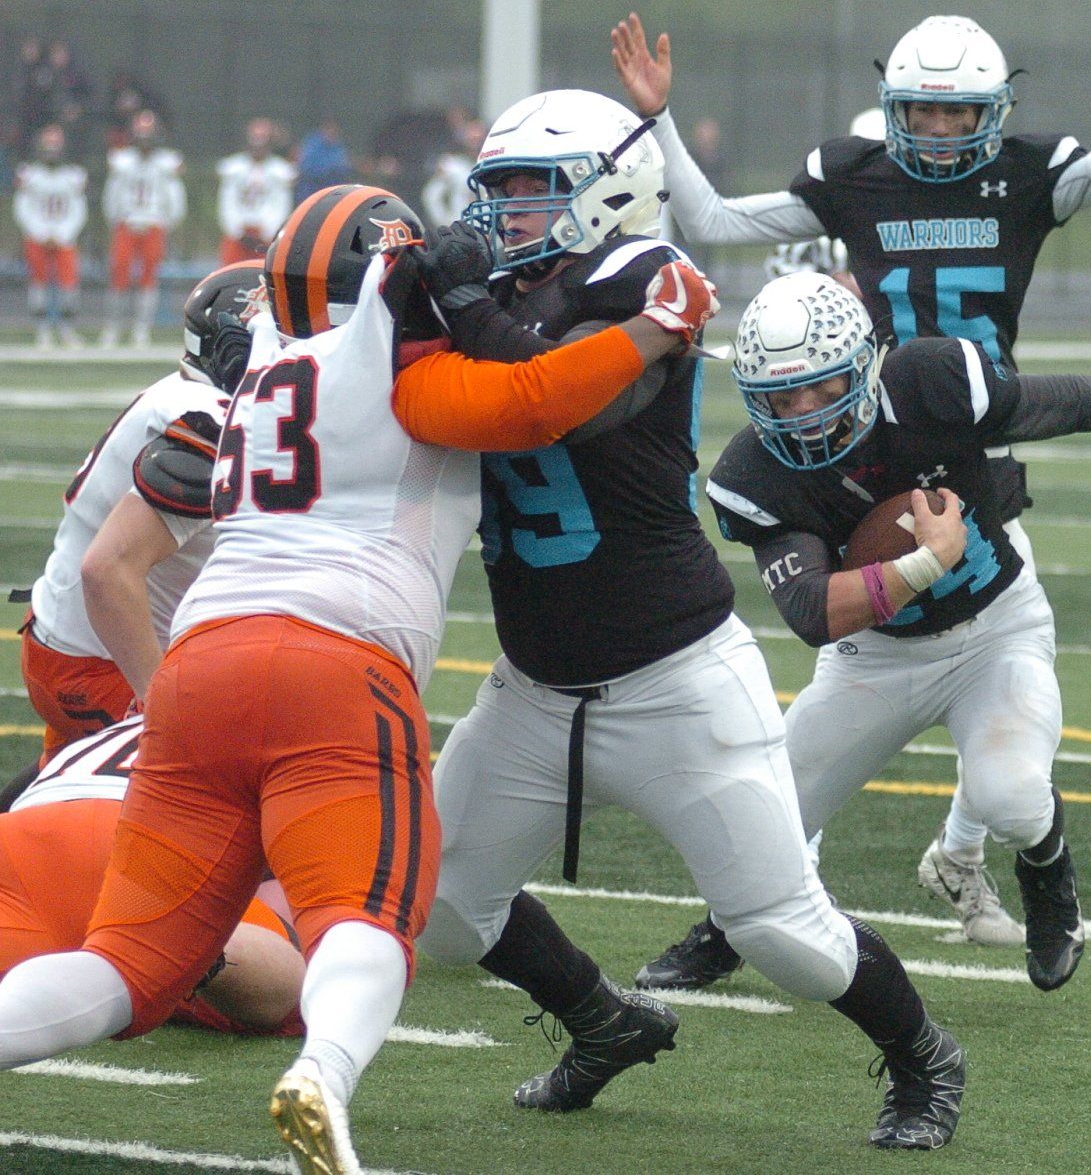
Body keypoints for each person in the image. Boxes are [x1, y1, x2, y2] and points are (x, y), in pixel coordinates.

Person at [0, 182, 702, 1174]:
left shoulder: (259, 376)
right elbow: (537, 397)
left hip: (199, 667)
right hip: (334, 661)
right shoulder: (393, 362)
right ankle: (324, 1075)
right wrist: (659, 326)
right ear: (385, 277)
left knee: (125, 965)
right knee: (365, 917)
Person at [612, 0, 1091, 937]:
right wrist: (657, 115)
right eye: (923, 110)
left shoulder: (1028, 177)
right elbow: (708, 215)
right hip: (863, 421)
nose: (944, 130)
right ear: (895, 108)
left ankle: (970, 840)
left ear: (994, 112)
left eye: (961, 112)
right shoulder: (856, 178)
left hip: (970, 417)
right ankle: (877, 868)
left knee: (985, 613)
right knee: (868, 628)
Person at [415, 88, 967, 1149]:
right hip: (535, 689)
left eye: (538, 188)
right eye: (504, 191)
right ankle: (603, 1021)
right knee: (441, 910)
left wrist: (461, 304)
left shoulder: (646, 278)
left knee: (785, 938)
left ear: (614, 185)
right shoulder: (496, 297)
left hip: (676, 682)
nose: (511, 212)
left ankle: (922, 1056)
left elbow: (553, 392)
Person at [636, 271, 1091, 995]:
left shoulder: (930, 382)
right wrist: (926, 562)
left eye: (819, 388)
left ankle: (1048, 876)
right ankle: (728, 930)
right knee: (762, 821)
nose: (800, 413)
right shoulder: (750, 474)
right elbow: (811, 613)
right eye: (779, 398)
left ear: (862, 365)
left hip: (995, 632)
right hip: (873, 661)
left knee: (1011, 795)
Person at [13, 261, 259, 758]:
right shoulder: (209, 420)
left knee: (53, 794)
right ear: (238, 351)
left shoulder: (183, 395)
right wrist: (157, 697)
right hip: (98, 661)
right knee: (225, 778)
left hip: (67, 640)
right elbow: (105, 569)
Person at [1, 714, 305, 1037]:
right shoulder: (304, 733)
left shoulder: (157, 714)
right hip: (153, 850)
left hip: (24, 831)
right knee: (310, 992)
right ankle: (189, 951)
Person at [101, 109, 185, 349]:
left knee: (149, 278)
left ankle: (141, 329)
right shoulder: (122, 160)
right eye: (141, 133)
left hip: (154, 223)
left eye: (149, 133)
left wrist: (167, 221)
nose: (145, 139)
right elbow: (112, 193)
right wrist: (116, 218)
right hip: (127, 222)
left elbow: (174, 195)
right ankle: (113, 327)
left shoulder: (166, 161)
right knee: (119, 275)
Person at [12, 122, 86, 348]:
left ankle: (66, 330)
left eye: (55, 146)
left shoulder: (73, 175)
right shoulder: (29, 174)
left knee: (68, 286)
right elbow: (22, 207)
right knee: (39, 285)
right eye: (48, 146)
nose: (52, 151)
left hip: (64, 237)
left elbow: (78, 209)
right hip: (37, 236)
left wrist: (64, 233)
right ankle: (43, 331)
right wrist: (40, 232)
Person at [218, 118, 298, 264]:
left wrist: (270, 230)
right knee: (231, 273)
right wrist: (235, 229)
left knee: (265, 275)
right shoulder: (233, 168)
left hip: (265, 234)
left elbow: (281, 203)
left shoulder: (279, 170)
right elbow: (227, 201)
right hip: (238, 232)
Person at [421, 118, 483, 230]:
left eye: (478, 138)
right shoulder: (452, 165)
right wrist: (447, 223)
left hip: (490, 230)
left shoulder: (490, 164)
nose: (475, 143)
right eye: (472, 138)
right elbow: (432, 196)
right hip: (462, 229)